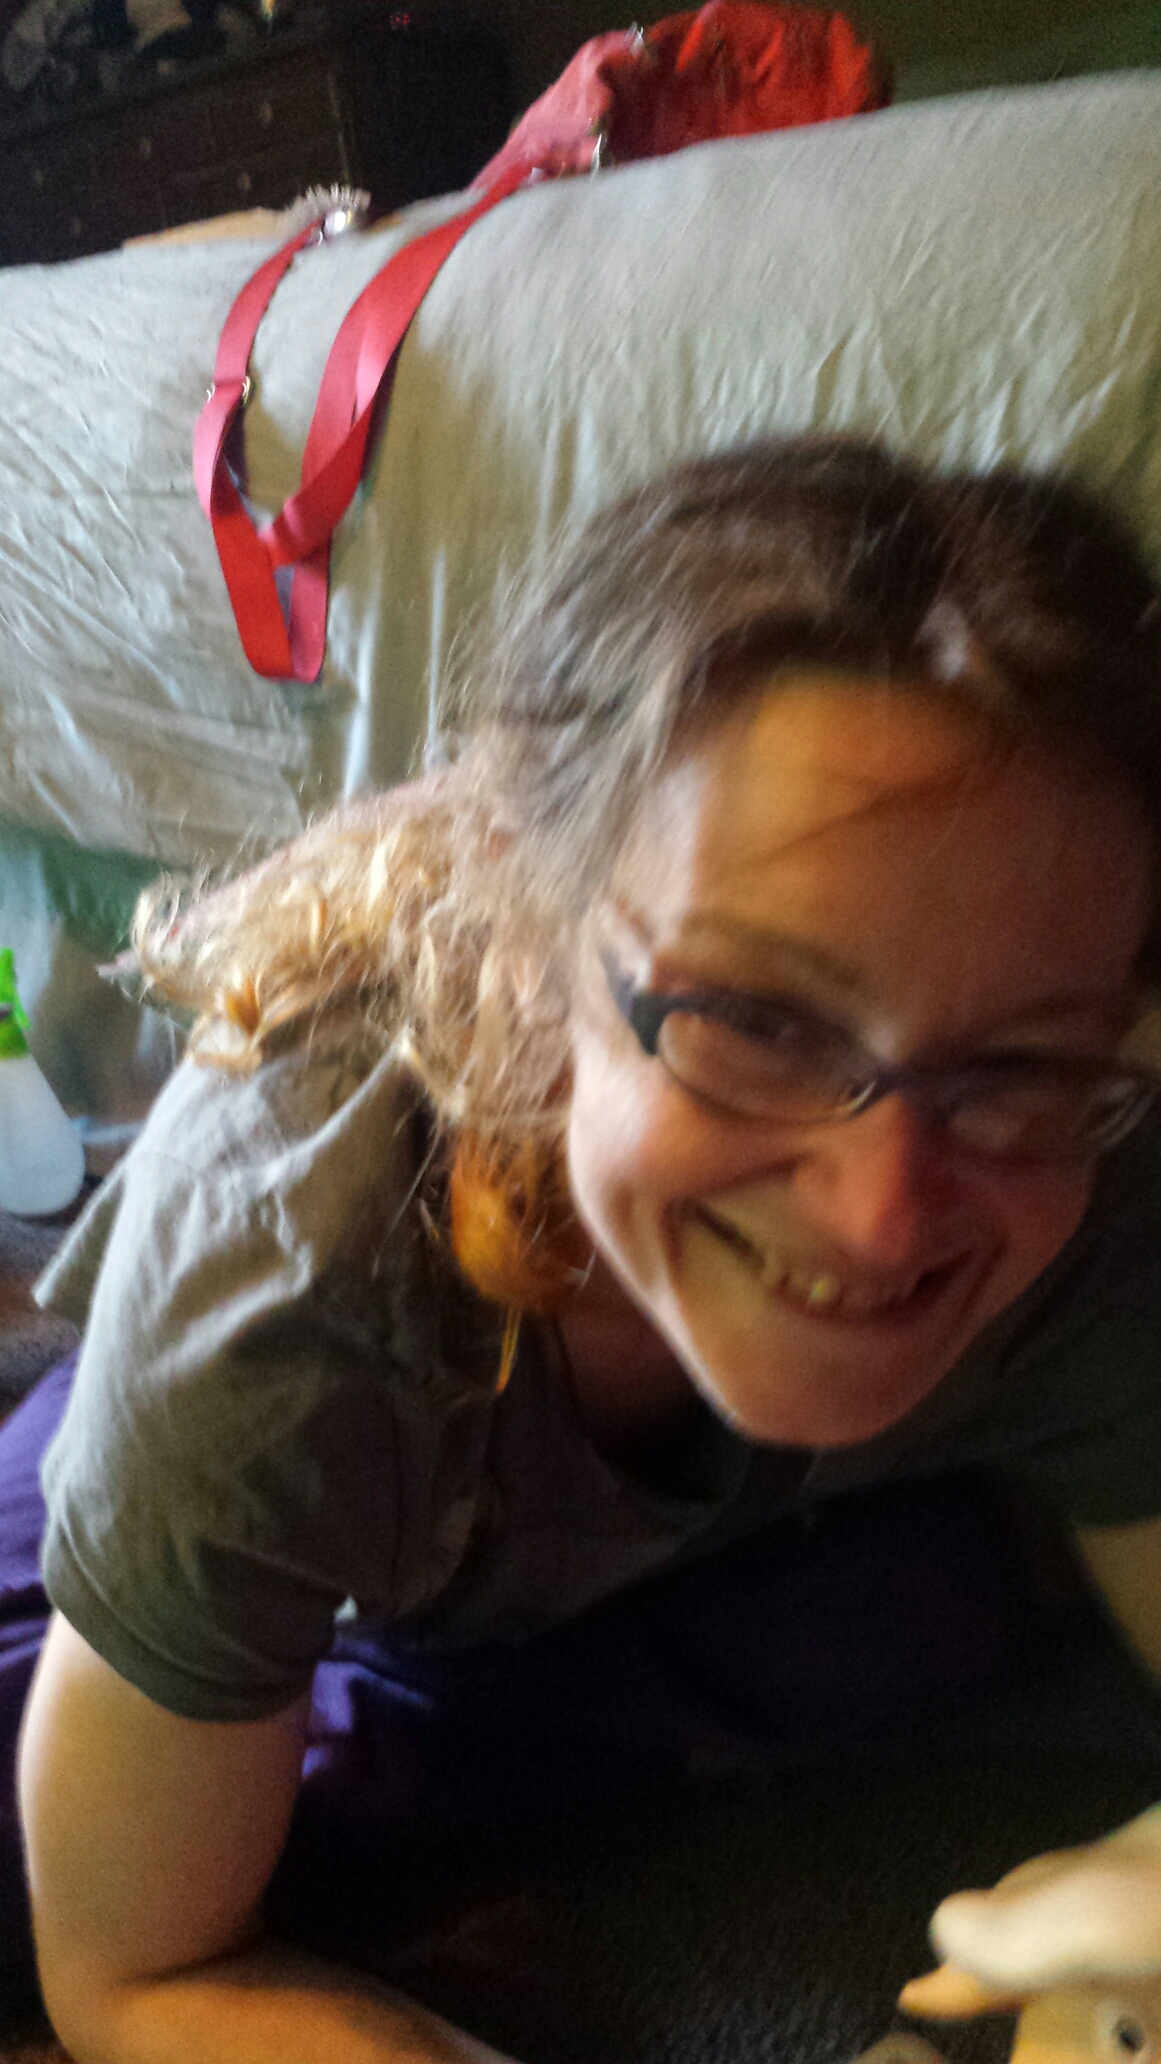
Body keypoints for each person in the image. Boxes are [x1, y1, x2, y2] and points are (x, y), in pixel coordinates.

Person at [7, 433, 1161, 2062]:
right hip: (348, 1471)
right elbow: (135, 1969)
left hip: (757, 1545)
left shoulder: (1100, 1158)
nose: (882, 1212)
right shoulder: (292, 1266)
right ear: (528, 946)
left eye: (1017, 1069)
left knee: (933, 1630)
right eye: (753, 1019)